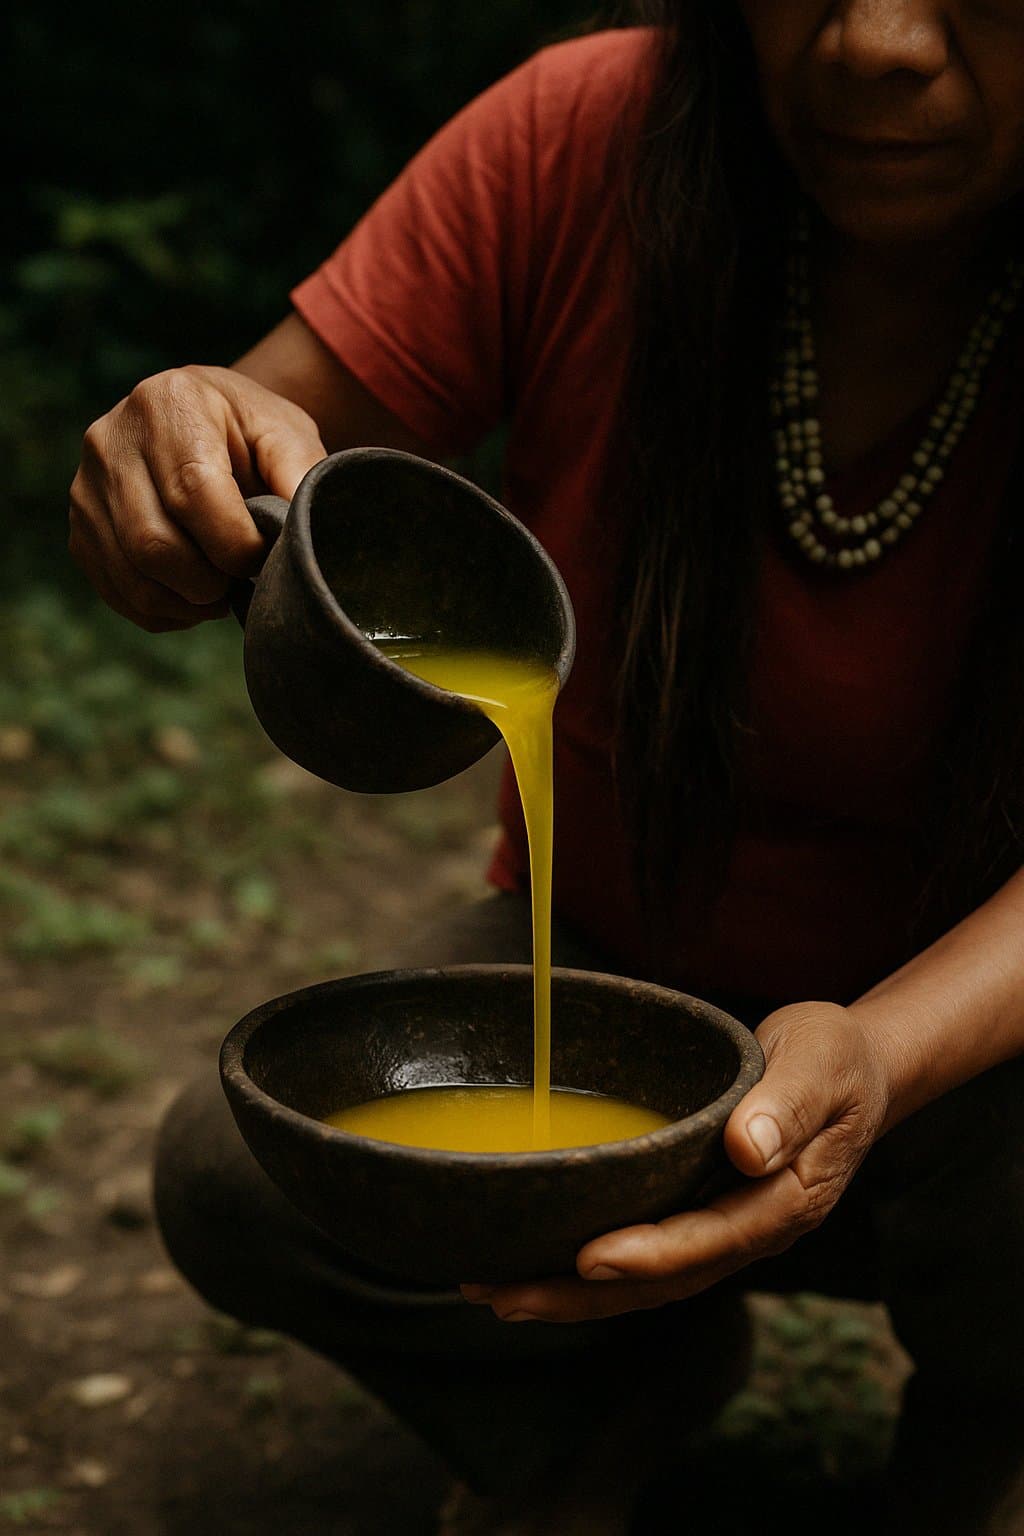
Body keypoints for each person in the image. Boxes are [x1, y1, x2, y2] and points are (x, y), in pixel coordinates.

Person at [69, 2, 1024, 1532]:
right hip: (607, 996)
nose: (878, 42)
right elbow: (245, 464)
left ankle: (988, 1431)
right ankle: (599, 1396)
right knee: (244, 1178)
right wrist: (168, 472)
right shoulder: (587, 141)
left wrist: (883, 1053)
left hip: (975, 1081)